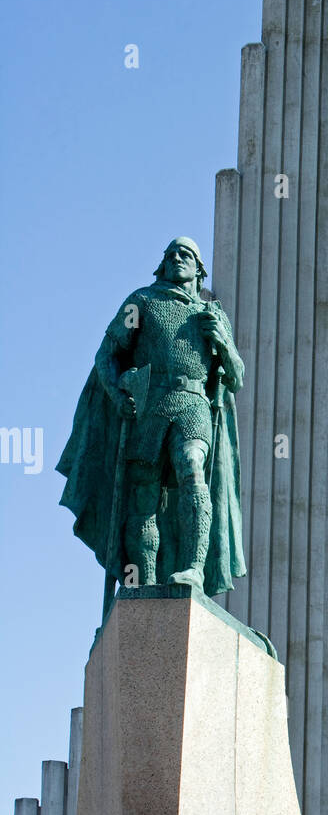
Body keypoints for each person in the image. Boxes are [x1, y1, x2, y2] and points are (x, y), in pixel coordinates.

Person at [57, 237, 246, 601]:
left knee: (192, 468)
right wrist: (117, 394)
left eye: (186, 254)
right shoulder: (141, 302)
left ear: (198, 268)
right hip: (151, 405)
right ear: (162, 265)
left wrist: (222, 342)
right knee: (144, 493)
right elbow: (106, 355)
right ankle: (143, 579)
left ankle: (192, 567)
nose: (177, 257)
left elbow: (236, 377)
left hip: (193, 403)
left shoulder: (213, 313)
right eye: (171, 254)